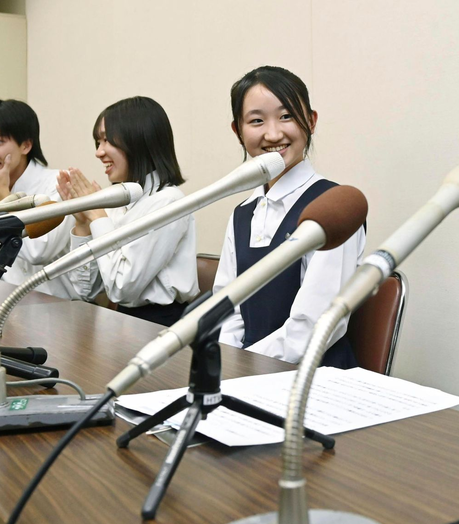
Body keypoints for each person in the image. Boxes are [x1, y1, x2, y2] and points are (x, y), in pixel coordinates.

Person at [213, 66, 365, 367]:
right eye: (257, 121)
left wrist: (243, 368)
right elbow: (227, 309)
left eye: (286, 116)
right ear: (238, 131)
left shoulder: (333, 209)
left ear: (311, 121)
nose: (273, 134)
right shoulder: (242, 214)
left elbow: (313, 326)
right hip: (246, 376)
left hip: (313, 377)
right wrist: (226, 364)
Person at [56, 96, 199, 325]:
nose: (99, 152)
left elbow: (121, 288)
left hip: (161, 324)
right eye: (97, 142)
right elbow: (85, 289)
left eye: (106, 140)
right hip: (121, 321)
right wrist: (83, 224)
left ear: (138, 140)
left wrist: (97, 216)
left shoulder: (168, 202)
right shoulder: (117, 201)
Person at [0, 99, 80, 299]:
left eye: (0, 142)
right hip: (7, 302)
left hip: (55, 307)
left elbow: (38, 251)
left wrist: (4, 196)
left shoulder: (57, 184)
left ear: (26, 145)